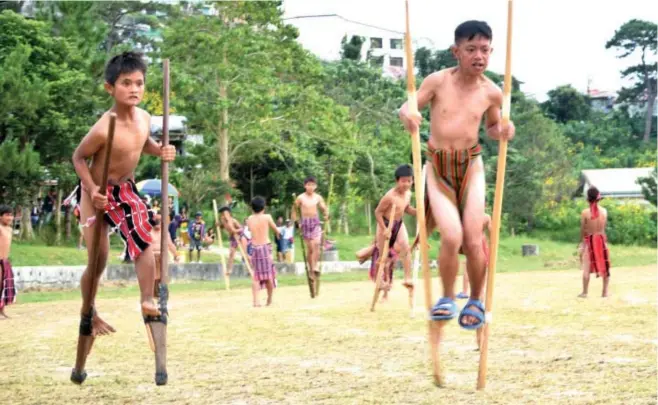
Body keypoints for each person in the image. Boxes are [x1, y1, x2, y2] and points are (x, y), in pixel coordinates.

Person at [398, 20, 515, 329]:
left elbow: (492, 127)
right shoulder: (437, 81)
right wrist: (408, 115)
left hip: (471, 166)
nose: (479, 56)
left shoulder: (492, 92)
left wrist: (502, 129)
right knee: (451, 236)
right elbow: (408, 107)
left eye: (485, 50)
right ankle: (448, 297)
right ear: (456, 51)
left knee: (474, 237)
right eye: (471, 49)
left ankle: (475, 300)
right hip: (438, 167)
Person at [70, 51, 176, 384]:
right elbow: (78, 157)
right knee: (97, 260)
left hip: (125, 191)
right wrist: (92, 190)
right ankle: (90, 308)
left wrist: (160, 150)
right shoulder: (103, 126)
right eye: (126, 83)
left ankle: (147, 299)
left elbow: (142, 142)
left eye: (139, 83)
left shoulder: (144, 117)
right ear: (110, 88)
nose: (134, 89)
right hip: (95, 193)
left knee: (145, 238)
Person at [356, 165, 417, 302]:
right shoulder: (390, 196)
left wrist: (418, 212)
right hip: (384, 224)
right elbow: (378, 212)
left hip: (398, 224)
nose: (406, 184)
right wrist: (384, 228)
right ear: (397, 181)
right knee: (382, 258)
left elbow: (406, 208)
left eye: (409, 181)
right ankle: (380, 282)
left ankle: (407, 278)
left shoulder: (408, 194)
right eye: (403, 181)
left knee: (406, 247)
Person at [291, 176, 329, 294]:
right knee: (310, 248)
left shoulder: (318, 197)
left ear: (315, 186)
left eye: (312, 185)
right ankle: (311, 270)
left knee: (317, 244)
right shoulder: (300, 197)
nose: (310, 187)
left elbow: (323, 208)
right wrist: (296, 222)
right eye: (308, 185)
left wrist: (326, 213)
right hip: (305, 223)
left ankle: (315, 266)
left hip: (315, 222)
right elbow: (294, 209)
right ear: (305, 186)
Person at [245, 197, 281, 307]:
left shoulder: (249, 219)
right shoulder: (267, 217)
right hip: (265, 248)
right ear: (264, 207)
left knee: (256, 276)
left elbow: (250, 231)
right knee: (268, 276)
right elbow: (276, 230)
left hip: (255, 248)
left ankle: (256, 301)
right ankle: (269, 299)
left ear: (252, 208)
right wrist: (278, 235)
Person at [578, 187, 611, 298]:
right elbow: (603, 228)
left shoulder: (585, 213)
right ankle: (605, 292)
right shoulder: (604, 211)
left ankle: (585, 292)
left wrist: (582, 244)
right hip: (601, 240)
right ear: (598, 198)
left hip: (590, 241)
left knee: (586, 268)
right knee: (605, 266)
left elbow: (583, 230)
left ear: (588, 199)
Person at [457, 213, 491, 299]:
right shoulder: (486, 217)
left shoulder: (468, 215)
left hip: (471, 240)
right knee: (480, 266)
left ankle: (468, 291)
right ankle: (480, 292)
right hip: (480, 240)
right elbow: (491, 232)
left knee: (469, 265)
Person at [219, 206, 249, 275]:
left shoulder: (233, 221)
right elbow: (224, 226)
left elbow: (242, 228)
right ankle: (229, 269)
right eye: (223, 214)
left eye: (225, 213)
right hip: (233, 237)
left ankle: (250, 268)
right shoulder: (222, 219)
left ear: (229, 214)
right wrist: (220, 226)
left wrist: (235, 230)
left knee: (244, 254)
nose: (224, 215)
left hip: (240, 236)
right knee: (231, 253)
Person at [0, 205, 16, 319]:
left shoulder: (10, 229)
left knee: (4, 287)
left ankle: (2, 310)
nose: (10, 218)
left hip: (5, 261)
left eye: (11, 215)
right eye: (7, 215)